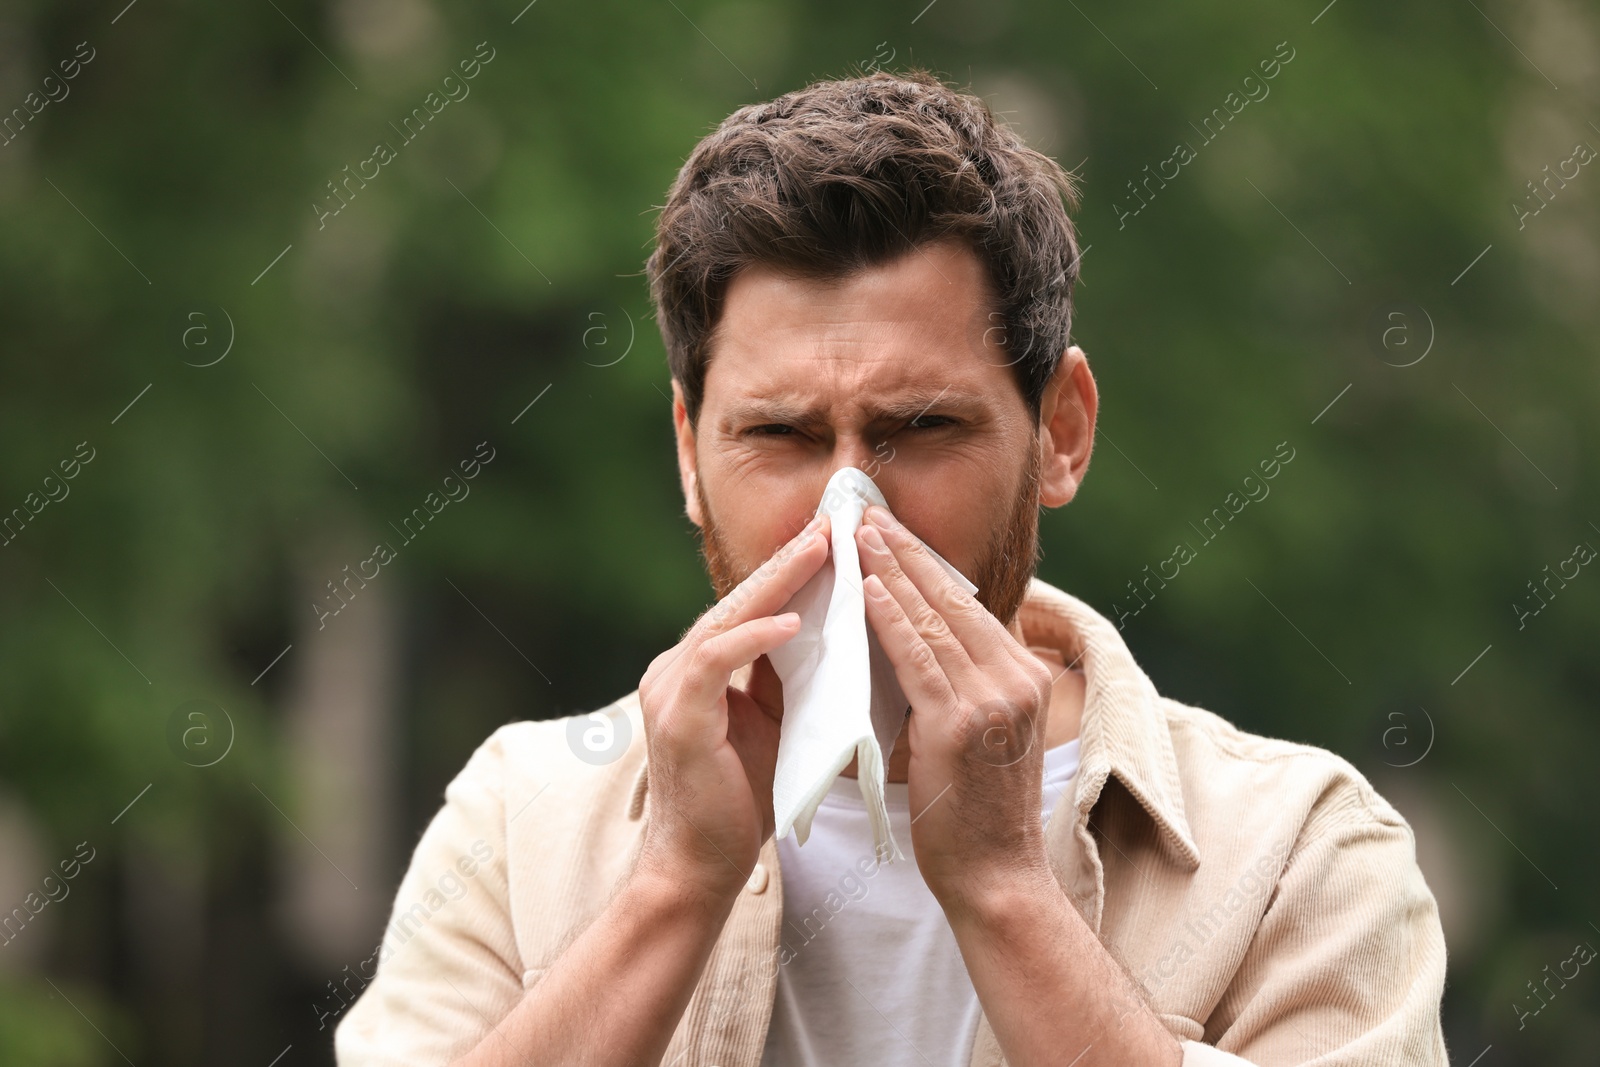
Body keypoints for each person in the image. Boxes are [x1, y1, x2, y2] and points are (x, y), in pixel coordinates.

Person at [335, 68, 1449, 1067]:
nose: (847, 509)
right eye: (780, 436)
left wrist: (1007, 891)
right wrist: (671, 888)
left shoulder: (1300, 849)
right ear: (688, 451)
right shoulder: (524, 813)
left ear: (1060, 431)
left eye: (919, 427)